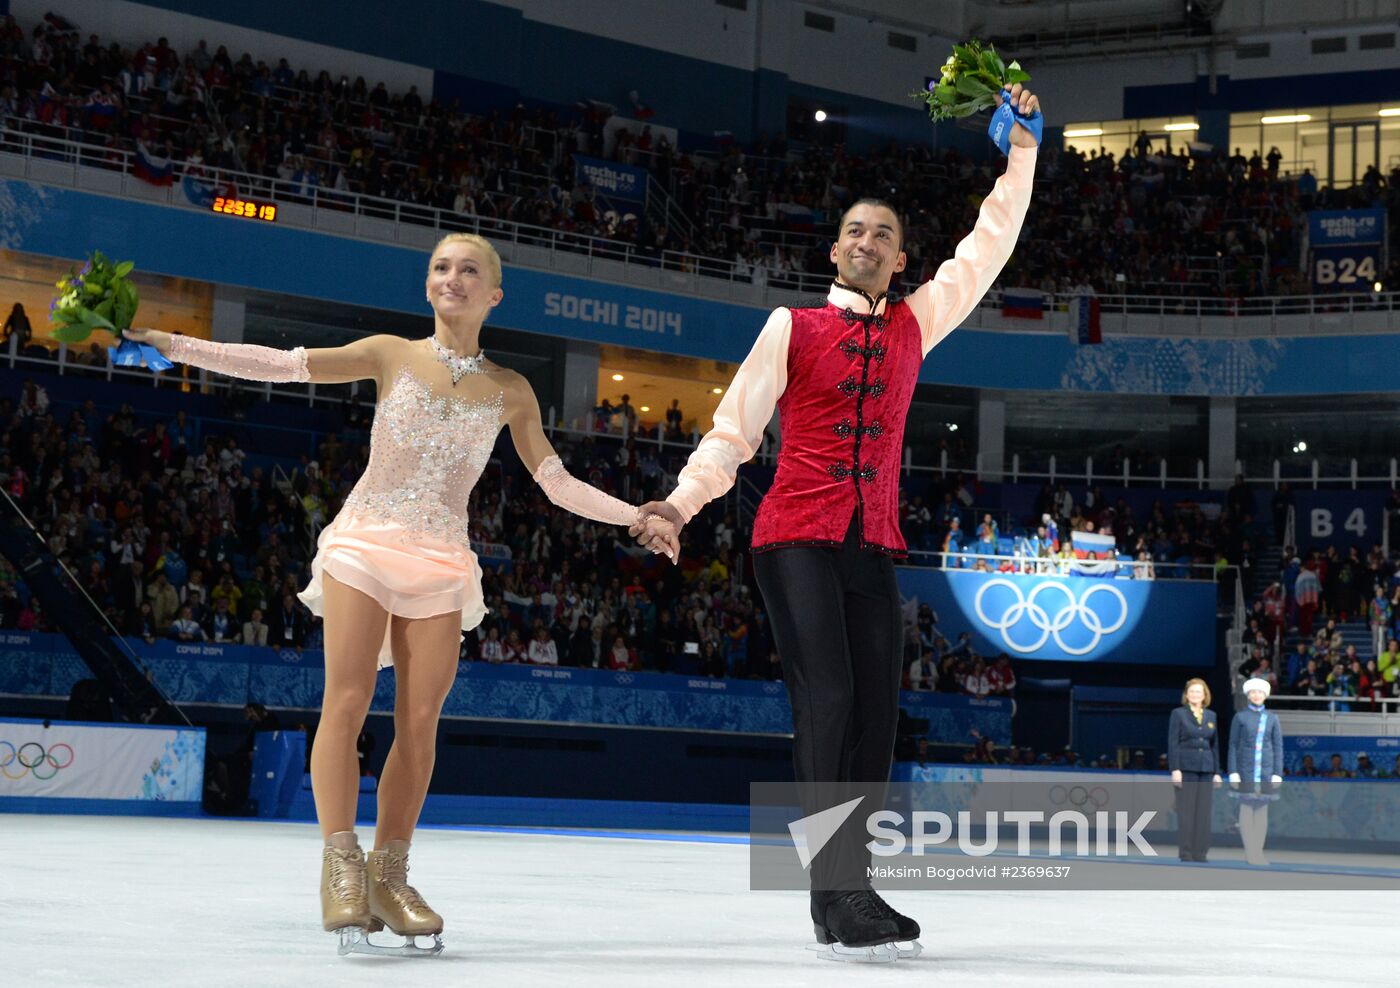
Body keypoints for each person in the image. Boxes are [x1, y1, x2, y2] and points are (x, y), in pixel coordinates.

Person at [124, 232, 675, 956]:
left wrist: (636, 515)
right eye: (441, 267)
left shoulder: (511, 389)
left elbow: (557, 482)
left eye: (468, 269)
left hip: (442, 558)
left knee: (420, 723)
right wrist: (175, 342)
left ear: (494, 294)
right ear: (428, 286)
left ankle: (391, 874)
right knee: (347, 701)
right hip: (366, 542)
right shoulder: (390, 352)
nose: (452, 277)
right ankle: (341, 865)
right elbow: (287, 367)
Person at [632, 85, 1041, 959]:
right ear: (835, 249)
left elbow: (987, 249)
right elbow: (734, 430)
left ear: (900, 261)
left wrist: (1022, 155)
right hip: (793, 535)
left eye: (883, 235)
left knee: (875, 716)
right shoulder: (794, 325)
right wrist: (678, 504)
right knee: (828, 697)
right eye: (855, 230)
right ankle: (838, 888)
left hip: (869, 541)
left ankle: (843, 893)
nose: (867, 241)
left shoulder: (917, 324)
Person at [1228, 677, 1283, 866]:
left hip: (1266, 772)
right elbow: (1233, 746)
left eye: (1260, 692)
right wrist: (1233, 771)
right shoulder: (1240, 717)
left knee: (1261, 811)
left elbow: (1277, 747)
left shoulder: (1272, 718)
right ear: (1248, 695)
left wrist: (1277, 773)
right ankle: (1250, 851)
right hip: (1245, 771)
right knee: (1246, 809)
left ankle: (1258, 852)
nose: (1257, 695)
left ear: (1265, 695)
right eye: (1253, 692)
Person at [1167, 677, 1222, 862]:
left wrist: (1216, 772)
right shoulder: (1178, 714)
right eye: (1191, 691)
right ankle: (1186, 851)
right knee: (1187, 812)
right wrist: (1175, 768)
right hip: (1186, 768)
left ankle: (1201, 852)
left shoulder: (1211, 716)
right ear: (1186, 695)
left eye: (1198, 692)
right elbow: (1173, 743)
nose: (1195, 695)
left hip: (1206, 768)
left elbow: (1214, 746)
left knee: (1203, 813)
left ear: (1204, 695)